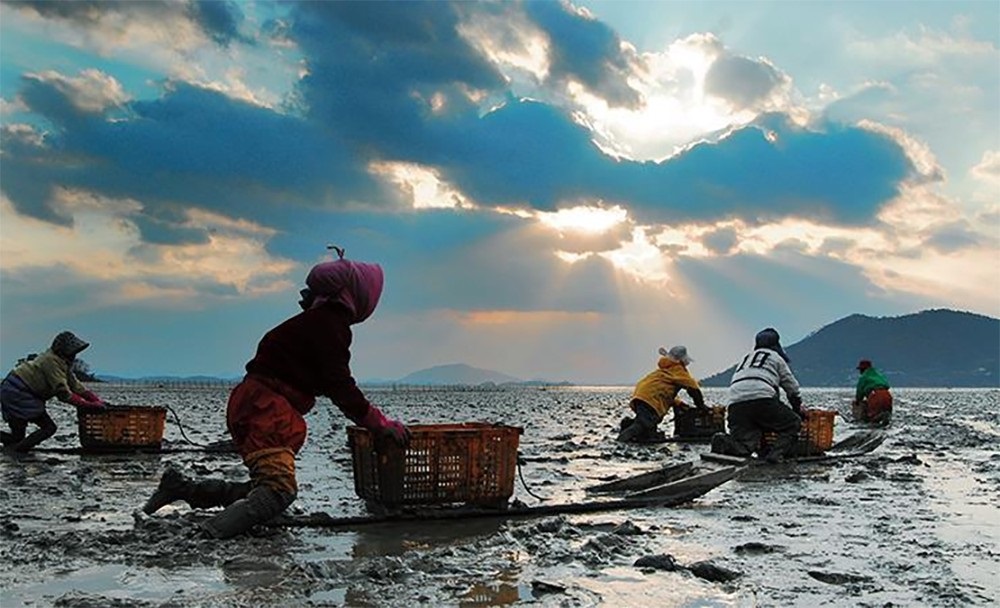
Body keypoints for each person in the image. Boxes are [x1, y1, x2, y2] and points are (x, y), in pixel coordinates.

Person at [142, 253, 411, 538]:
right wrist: (379, 423)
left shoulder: (315, 322)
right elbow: (340, 385)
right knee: (278, 492)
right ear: (356, 296)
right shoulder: (329, 326)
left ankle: (183, 488)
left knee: (264, 488)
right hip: (265, 409)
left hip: (254, 403)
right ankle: (204, 536)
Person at [710, 328, 805, 463]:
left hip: (735, 403)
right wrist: (797, 410)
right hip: (762, 399)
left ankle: (723, 440)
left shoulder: (746, 358)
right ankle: (775, 455)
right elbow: (792, 388)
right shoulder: (775, 357)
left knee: (745, 446)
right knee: (793, 423)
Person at [0, 331, 105, 453]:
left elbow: (75, 385)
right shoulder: (51, 362)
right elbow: (63, 394)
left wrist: (96, 400)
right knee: (49, 428)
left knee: (17, 437)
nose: (73, 356)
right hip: (19, 392)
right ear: (63, 351)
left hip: (13, 390)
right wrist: (89, 405)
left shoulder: (62, 362)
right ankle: (18, 452)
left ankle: (13, 451)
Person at [618, 345, 706, 443]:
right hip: (651, 400)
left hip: (642, 395)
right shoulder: (678, 370)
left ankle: (627, 424)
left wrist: (679, 403)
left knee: (648, 429)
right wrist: (701, 406)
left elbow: (664, 392)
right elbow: (694, 389)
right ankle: (620, 441)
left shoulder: (666, 370)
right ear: (682, 361)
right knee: (642, 425)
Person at [853, 359, 892, 424]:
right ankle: (885, 416)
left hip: (875, 395)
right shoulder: (879, 374)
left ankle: (880, 416)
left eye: (860, 369)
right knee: (886, 412)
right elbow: (887, 384)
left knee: (872, 418)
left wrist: (858, 401)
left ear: (863, 369)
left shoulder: (864, 376)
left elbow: (859, 391)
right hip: (887, 394)